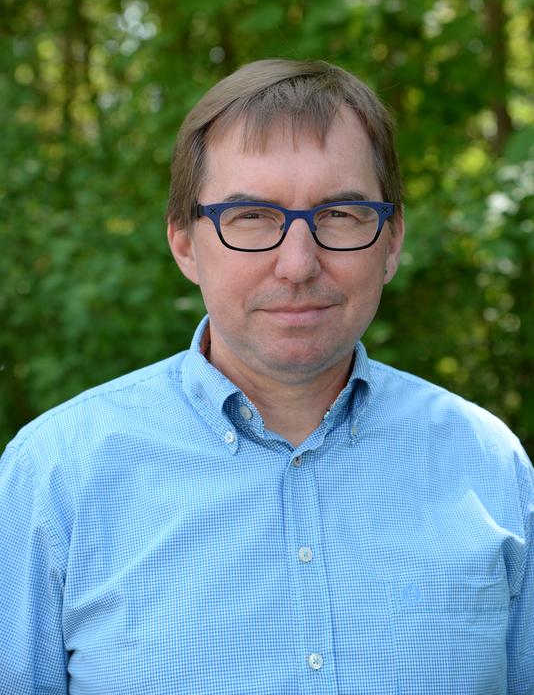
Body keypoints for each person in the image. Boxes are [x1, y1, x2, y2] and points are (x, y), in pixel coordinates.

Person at [0, 59, 532, 695]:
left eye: (340, 213)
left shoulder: (489, 465)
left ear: (390, 242)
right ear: (185, 244)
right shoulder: (55, 474)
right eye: (250, 217)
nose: (299, 263)